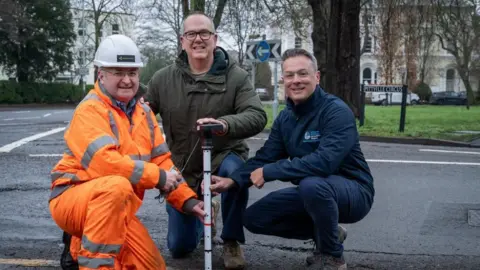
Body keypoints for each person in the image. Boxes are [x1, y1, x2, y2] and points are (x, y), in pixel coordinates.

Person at [207, 48, 375, 270]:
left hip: (353, 192)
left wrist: (270, 172)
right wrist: (234, 180)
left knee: (312, 184)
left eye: (302, 74)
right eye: (289, 75)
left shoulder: (336, 111)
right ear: (283, 80)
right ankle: (329, 233)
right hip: (313, 193)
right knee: (254, 218)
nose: (296, 80)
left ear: (316, 77)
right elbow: (266, 157)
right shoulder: (286, 118)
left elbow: (324, 162)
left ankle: (333, 257)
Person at [49, 34, 204, 270]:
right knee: (116, 186)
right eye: (118, 72)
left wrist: (188, 200)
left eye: (132, 73)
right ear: (101, 74)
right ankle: (82, 253)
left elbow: (162, 161)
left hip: (116, 206)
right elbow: (105, 164)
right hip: (73, 199)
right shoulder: (90, 110)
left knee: (153, 266)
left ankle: (81, 242)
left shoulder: (144, 113)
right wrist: (158, 178)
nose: (127, 80)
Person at [144, 11, 267, 269]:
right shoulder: (162, 79)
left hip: (224, 157)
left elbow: (257, 116)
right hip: (183, 169)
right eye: (191, 34)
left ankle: (231, 239)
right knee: (180, 247)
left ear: (215, 38)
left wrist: (224, 124)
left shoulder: (236, 77)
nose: (198, 39)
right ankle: (204, 219)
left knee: (237, 173)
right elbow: (141, 116)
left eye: (204, 33)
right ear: (182, 40)